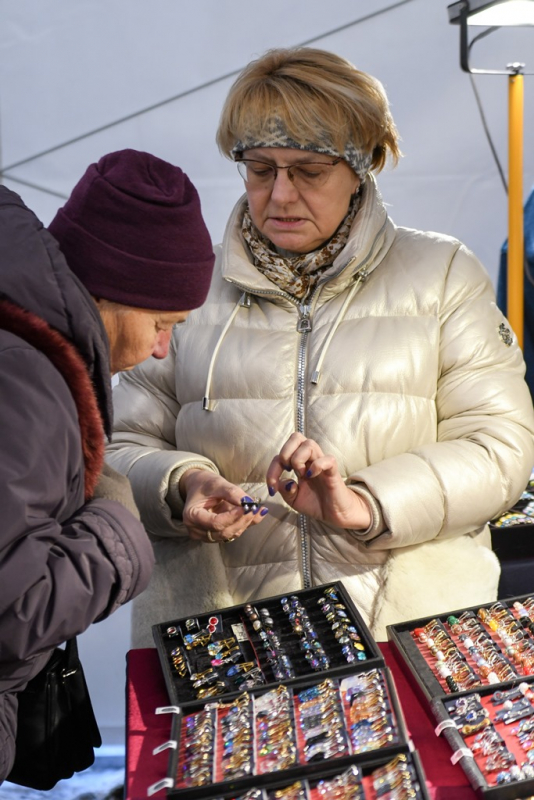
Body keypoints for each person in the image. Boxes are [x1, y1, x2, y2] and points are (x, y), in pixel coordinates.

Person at [107, 48, 534, 649]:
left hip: (407, 629)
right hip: (224, 643)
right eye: (259, 170)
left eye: (308, 172)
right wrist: (182, 487)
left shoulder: (441, 274)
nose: (280, 195)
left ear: (362, 168)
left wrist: (366, 502)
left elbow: (499, 445)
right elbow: (117, 448)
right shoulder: (192, 286)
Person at [0, 148, 215, 783]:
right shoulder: (28, 380)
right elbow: (15, 610)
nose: (159, 348)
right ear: (112, 290)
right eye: (161, 321)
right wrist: (119, 529)